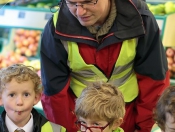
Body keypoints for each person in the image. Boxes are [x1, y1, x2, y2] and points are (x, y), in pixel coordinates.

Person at [40, 0, 170, 131]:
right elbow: (54, 92)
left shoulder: (140, 18)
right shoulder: (56, 27)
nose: (79, 11)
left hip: (127, 118)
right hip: (81, 122)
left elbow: (154, 81)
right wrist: (68, 129)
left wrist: (143, 128)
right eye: (72, 3)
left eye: (88, 2)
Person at [0, 64, 65, 132]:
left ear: (36, 98)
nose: (19, 102)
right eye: (12, 95)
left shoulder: (56, 130)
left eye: (26, 95)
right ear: (1, 98)